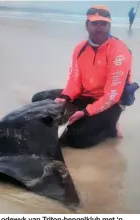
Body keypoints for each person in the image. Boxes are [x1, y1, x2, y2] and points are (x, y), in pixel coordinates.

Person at [31, 5, 138, 148]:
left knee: (77, 139)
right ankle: (82, 117)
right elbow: (75, 80)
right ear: (87, 25)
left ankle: (111, 127)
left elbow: (112, 95)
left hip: (110, 103)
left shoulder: (119, 52)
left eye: (103, 24)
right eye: (94, 23)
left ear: (109, 26)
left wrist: (86, 112)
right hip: (85, 96)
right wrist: (65, 98)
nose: (99, 27)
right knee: (38, 99)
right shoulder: (80, 49)